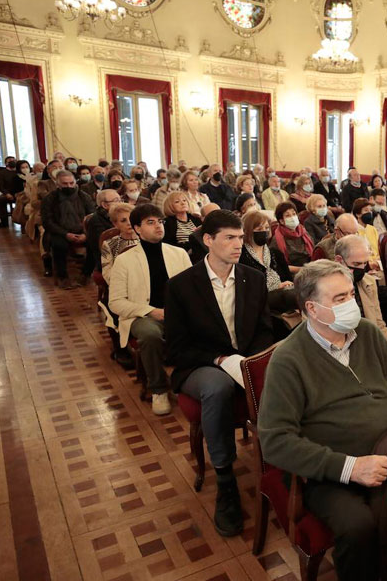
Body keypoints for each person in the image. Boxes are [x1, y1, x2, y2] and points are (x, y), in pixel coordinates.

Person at [258, 260, 387, 581]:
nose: (351, 303)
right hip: (331, 471)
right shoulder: (288, 359)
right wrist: (351, 468)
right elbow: (275, 442)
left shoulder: (365, 332)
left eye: (351, 294)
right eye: (340, 299)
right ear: (312, 308)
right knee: (359, 528)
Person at [165, 209, 274, 537]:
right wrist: (220, 359)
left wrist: (250, 359)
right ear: (208, 240)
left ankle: (284, 468)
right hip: (201, 365)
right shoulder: (182, 286)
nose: (238, 244)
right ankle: (225, 481)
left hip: (244, 360)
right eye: (229, 237)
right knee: (216, 389)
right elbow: (177, 349)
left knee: (284, 376)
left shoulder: (253, 278)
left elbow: (265, 330)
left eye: (240, 237)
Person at [109, 204, 192, 415]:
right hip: (142, 315)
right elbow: (116, 302)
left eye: (161, 222)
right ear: (137, 228)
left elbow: (193, 290)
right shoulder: (124, 260)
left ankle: (191, 380)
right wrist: (150, 311)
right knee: (150, 334)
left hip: (177, 313)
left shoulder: (179, 253)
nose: (158, 227)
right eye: (151, 222)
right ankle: (158, 389)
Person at [334, 235, 387, 351]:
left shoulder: (368, 282)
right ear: (339, 260)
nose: (362, 269)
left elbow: (379, 324)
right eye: (356, 264)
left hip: (369, 343)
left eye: (365, 264)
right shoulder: (323, 289)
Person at [40, 170, 97, 288]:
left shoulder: (84, 197)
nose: (69, 186)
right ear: (58, 184)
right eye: (65, 184)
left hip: (83, 231)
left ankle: (86, 274)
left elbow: (92, 217)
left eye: (71, 183)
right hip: (59, 232)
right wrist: (66, 234)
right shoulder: (50, 199)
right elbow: (48, 222)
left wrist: (85, 234)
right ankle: (62, 277)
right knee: (59, 245)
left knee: (94, 243)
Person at [239, 210, 295, 315]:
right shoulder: (240, 256)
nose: (264, 231)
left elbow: (288, 279)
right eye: (259, 229)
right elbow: (246, 290)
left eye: (266, 228)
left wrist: (285, 285)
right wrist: (276, 287)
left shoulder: (276, 254)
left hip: (283, 303)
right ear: (248, 230)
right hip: (258, 305)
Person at [100, 203, 139, 283]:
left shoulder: (147, 240)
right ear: (115, 224)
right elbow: (107, 272)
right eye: (123, 220)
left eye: (131, 218)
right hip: (119, 283)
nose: (129, 223)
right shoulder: (108, 244)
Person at [85, 188, 121, 269]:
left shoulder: (119, 216)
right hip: (107, 258)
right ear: (105, 205)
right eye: (116, 200)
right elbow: (103, 246)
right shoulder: (96, 221)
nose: (121, 203)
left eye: (120, 200)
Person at [273, 201, 313, 272]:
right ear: (282, 221)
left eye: (294, 214)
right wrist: (302, 269)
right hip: (293, 272)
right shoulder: (277, 240)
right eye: (288, 216)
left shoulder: (303, 231)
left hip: (310, 267)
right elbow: (279, 266)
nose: (292, 217)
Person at [0, 158, 25, 228]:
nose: (12, 162)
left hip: (21, 193)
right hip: (9, 193)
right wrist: (7, 193)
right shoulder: (2, 173)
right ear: (6, 163)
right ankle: (4, 222)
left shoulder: (19, 171)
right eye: (10, 161)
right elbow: (0, 186)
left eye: (14, 160)